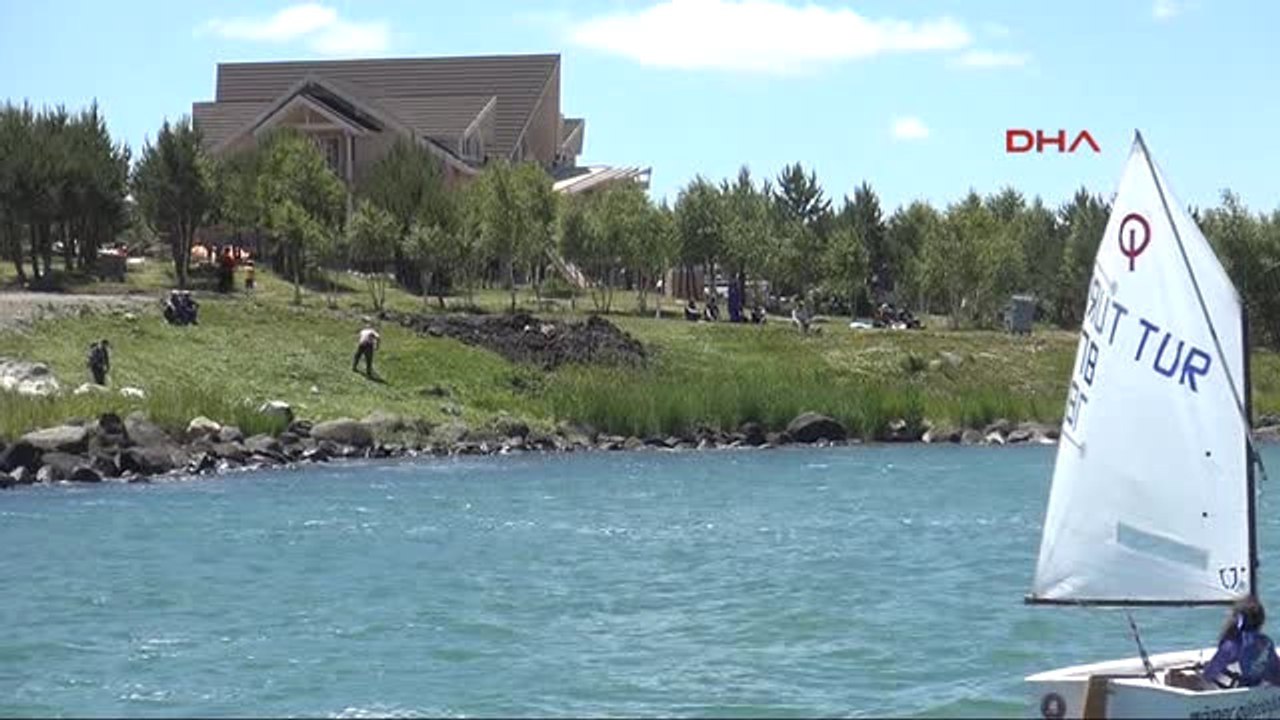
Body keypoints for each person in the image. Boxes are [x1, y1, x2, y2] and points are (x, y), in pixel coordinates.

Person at [1200, 596, 1280, 688]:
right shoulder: (1266, 642)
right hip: (1258, 689)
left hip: (1235, 691)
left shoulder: (1232, 645)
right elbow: (1277, 674)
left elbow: (1209, 674)